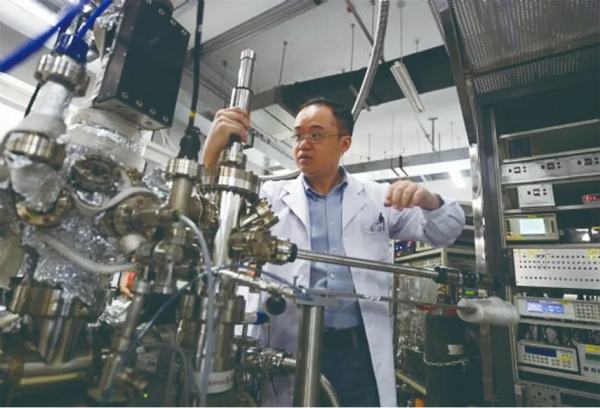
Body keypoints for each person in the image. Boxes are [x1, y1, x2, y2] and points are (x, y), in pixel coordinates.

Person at [202, 98, 466, 407]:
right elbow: (209, 222)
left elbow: (445, 231)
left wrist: (429, 201)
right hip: (288, 350)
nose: (303, 144)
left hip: (357, 358)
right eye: (298, 135)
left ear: (344, 143)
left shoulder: (377, 198)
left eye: (315, 135)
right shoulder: (268, 197)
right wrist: (210, 154)